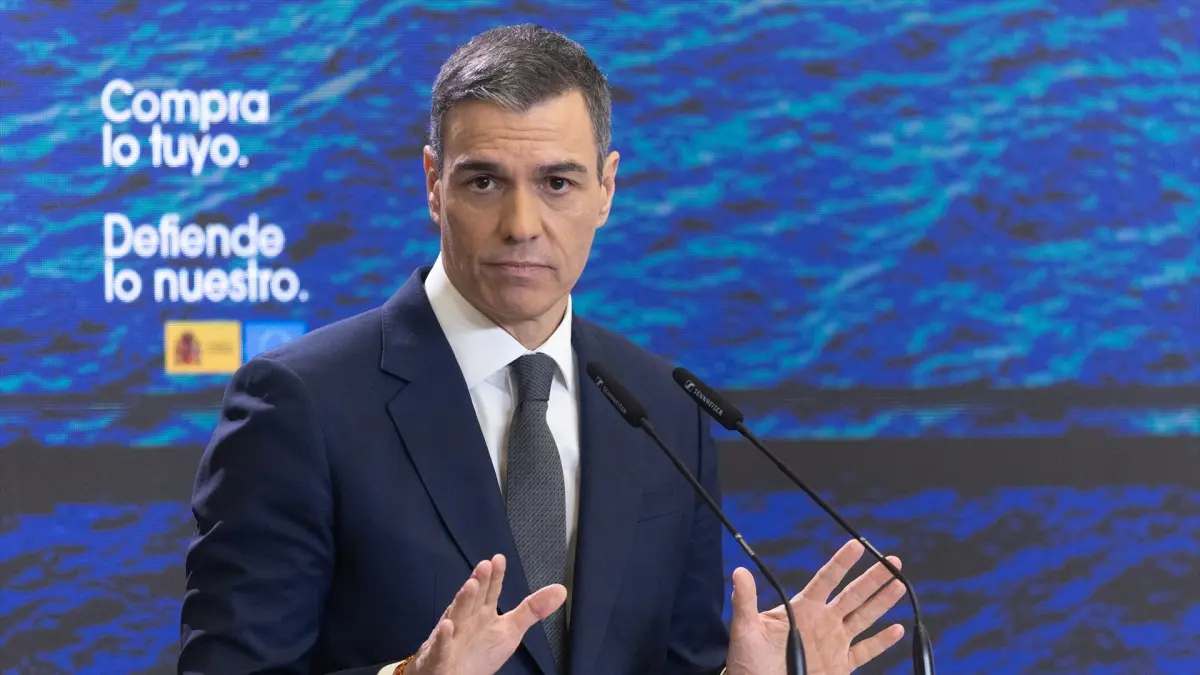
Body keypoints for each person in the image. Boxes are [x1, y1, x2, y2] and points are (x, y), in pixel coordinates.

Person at [178, 24, 907, 675]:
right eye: (484, 181)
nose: (521, 223)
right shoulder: (300, 405)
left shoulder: (665, 409)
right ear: (433, 185)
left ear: (607, 190)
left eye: (557, 182)